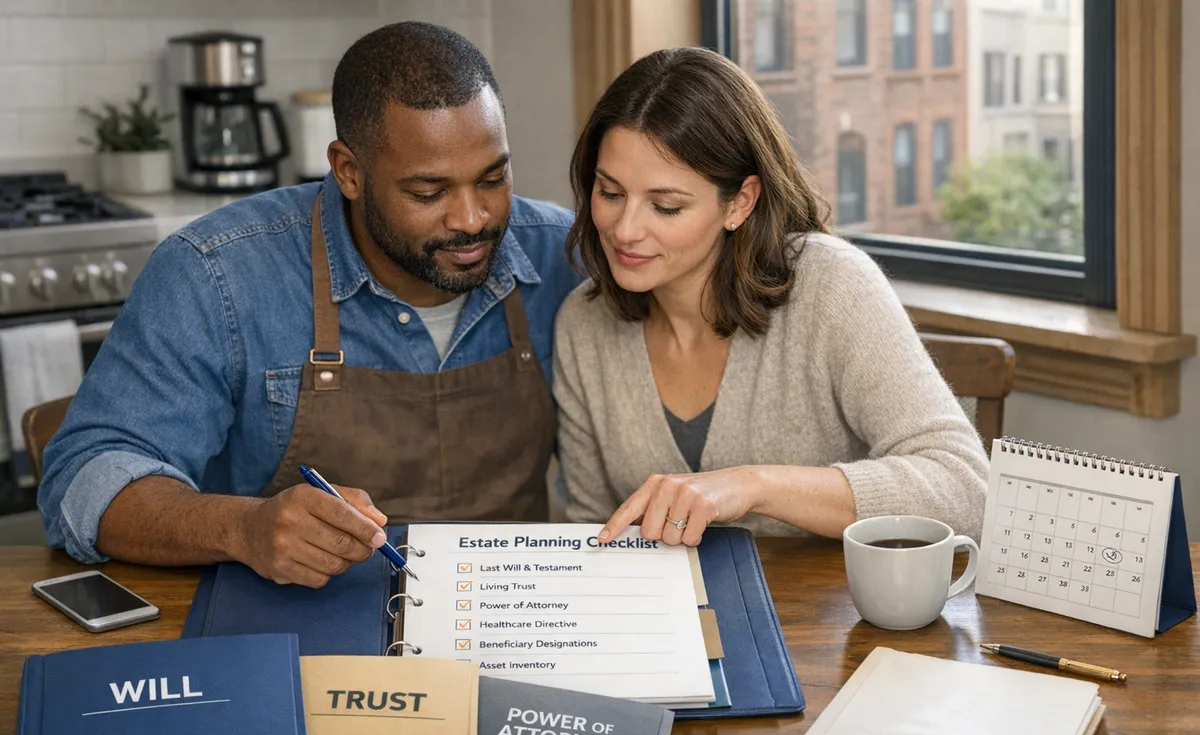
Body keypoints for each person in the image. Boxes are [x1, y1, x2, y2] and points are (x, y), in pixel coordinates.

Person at [38, 22, 580, 588]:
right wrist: (243, 529)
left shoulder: (564, 255)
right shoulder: (215, 272)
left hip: (512, 621)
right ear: (348, 171)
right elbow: (83, 479)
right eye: (428, 193)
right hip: (284, 633)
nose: (472, 220)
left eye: (493, 179)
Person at [552, 46, 989, 547]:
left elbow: (966, 491)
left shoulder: (831, 285)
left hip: (832, 621)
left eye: (665, 206)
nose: (625, 230)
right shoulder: (582, 324)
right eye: (610, 193)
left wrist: (752, 486)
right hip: (668, 621)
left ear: (740, 202)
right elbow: (590, 531)